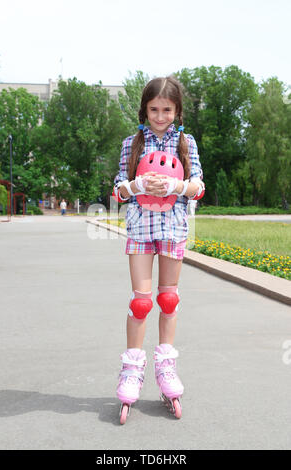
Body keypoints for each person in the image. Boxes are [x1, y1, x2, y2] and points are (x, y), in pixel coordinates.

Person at [112, 76, 205, 422]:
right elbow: (118, 191)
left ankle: (166, 368)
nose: (160, 115)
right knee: (140, 302)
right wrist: (135, 184)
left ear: (177, 111)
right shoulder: (132, 143)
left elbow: (198, 185)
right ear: (145, 109)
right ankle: (132, 369)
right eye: (154, 109)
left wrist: (178, 185)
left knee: (169, 299)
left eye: (167, 109)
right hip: (140, 227)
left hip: (173, 228)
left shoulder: (186, 142)